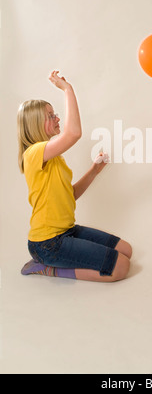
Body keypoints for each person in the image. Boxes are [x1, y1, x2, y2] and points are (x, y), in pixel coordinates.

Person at [18, 71, 132, 282]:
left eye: (55, 113)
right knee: (121, 267)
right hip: (48, 243)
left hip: (67, 231)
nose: (57, 118)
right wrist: (67, 89)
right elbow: (73, 133)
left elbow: (69, 195)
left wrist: (94, 171)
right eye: (50, 116)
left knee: (126, 250)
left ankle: (53, 261)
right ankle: (47, 268)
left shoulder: (55, 159)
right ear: (35, 123)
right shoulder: (33, 153)